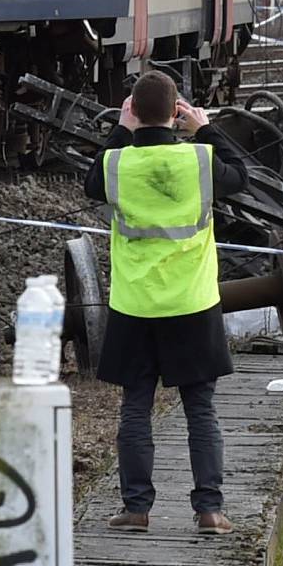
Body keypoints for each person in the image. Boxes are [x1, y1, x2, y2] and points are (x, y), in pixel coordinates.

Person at [87, 70, 249, 534]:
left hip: (135, 305)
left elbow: (90, 181)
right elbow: (242, 176)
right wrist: (206, 128)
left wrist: (122, 128)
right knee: (201, 409)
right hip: (193, 303)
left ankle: (136, 508)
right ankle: (210, 510)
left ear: (133, 110)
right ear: (177, 112)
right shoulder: (199, 160)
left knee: (135, 407)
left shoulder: (117, 164)